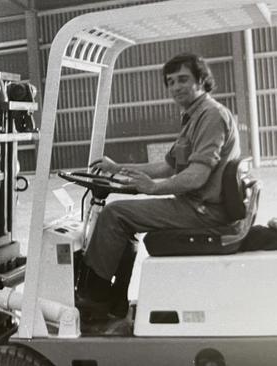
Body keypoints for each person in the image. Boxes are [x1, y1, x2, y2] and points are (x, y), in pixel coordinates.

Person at [76, 53, 241, 320]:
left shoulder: (210, 116)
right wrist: (117, 169)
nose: (176, 87)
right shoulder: (194, 116)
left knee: (114, 214)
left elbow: (197, 176)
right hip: (197, 205)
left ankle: (93, 299)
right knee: (121, 217)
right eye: (171, 81)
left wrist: (151, 188)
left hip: (203, 210)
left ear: (202, 81)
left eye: (183, 79)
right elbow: (167, 167)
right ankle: (114, 299)